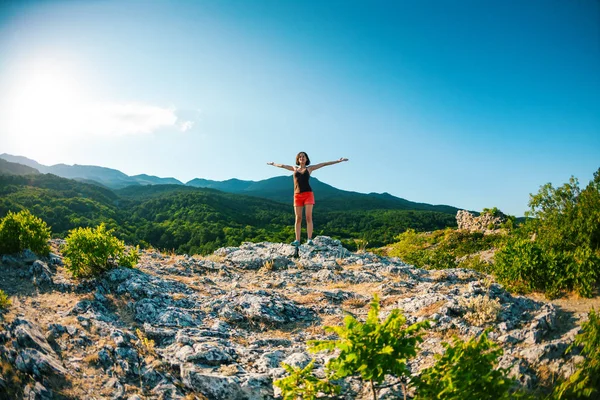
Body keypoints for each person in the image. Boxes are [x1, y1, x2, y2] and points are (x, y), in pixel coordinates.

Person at [267, 152, 349, 246]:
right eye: (300, 157)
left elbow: (324, 164)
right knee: (298, 218)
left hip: (308, 195)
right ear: (298, 159)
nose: (301, 158)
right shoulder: (294, 168)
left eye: (303, 156)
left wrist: (338, 161)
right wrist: (273, 164)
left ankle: (309, 239)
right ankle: (297, 240)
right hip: (297, 195)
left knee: (308, 217)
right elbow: (282, 165)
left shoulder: (309, 168)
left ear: (306, 159)